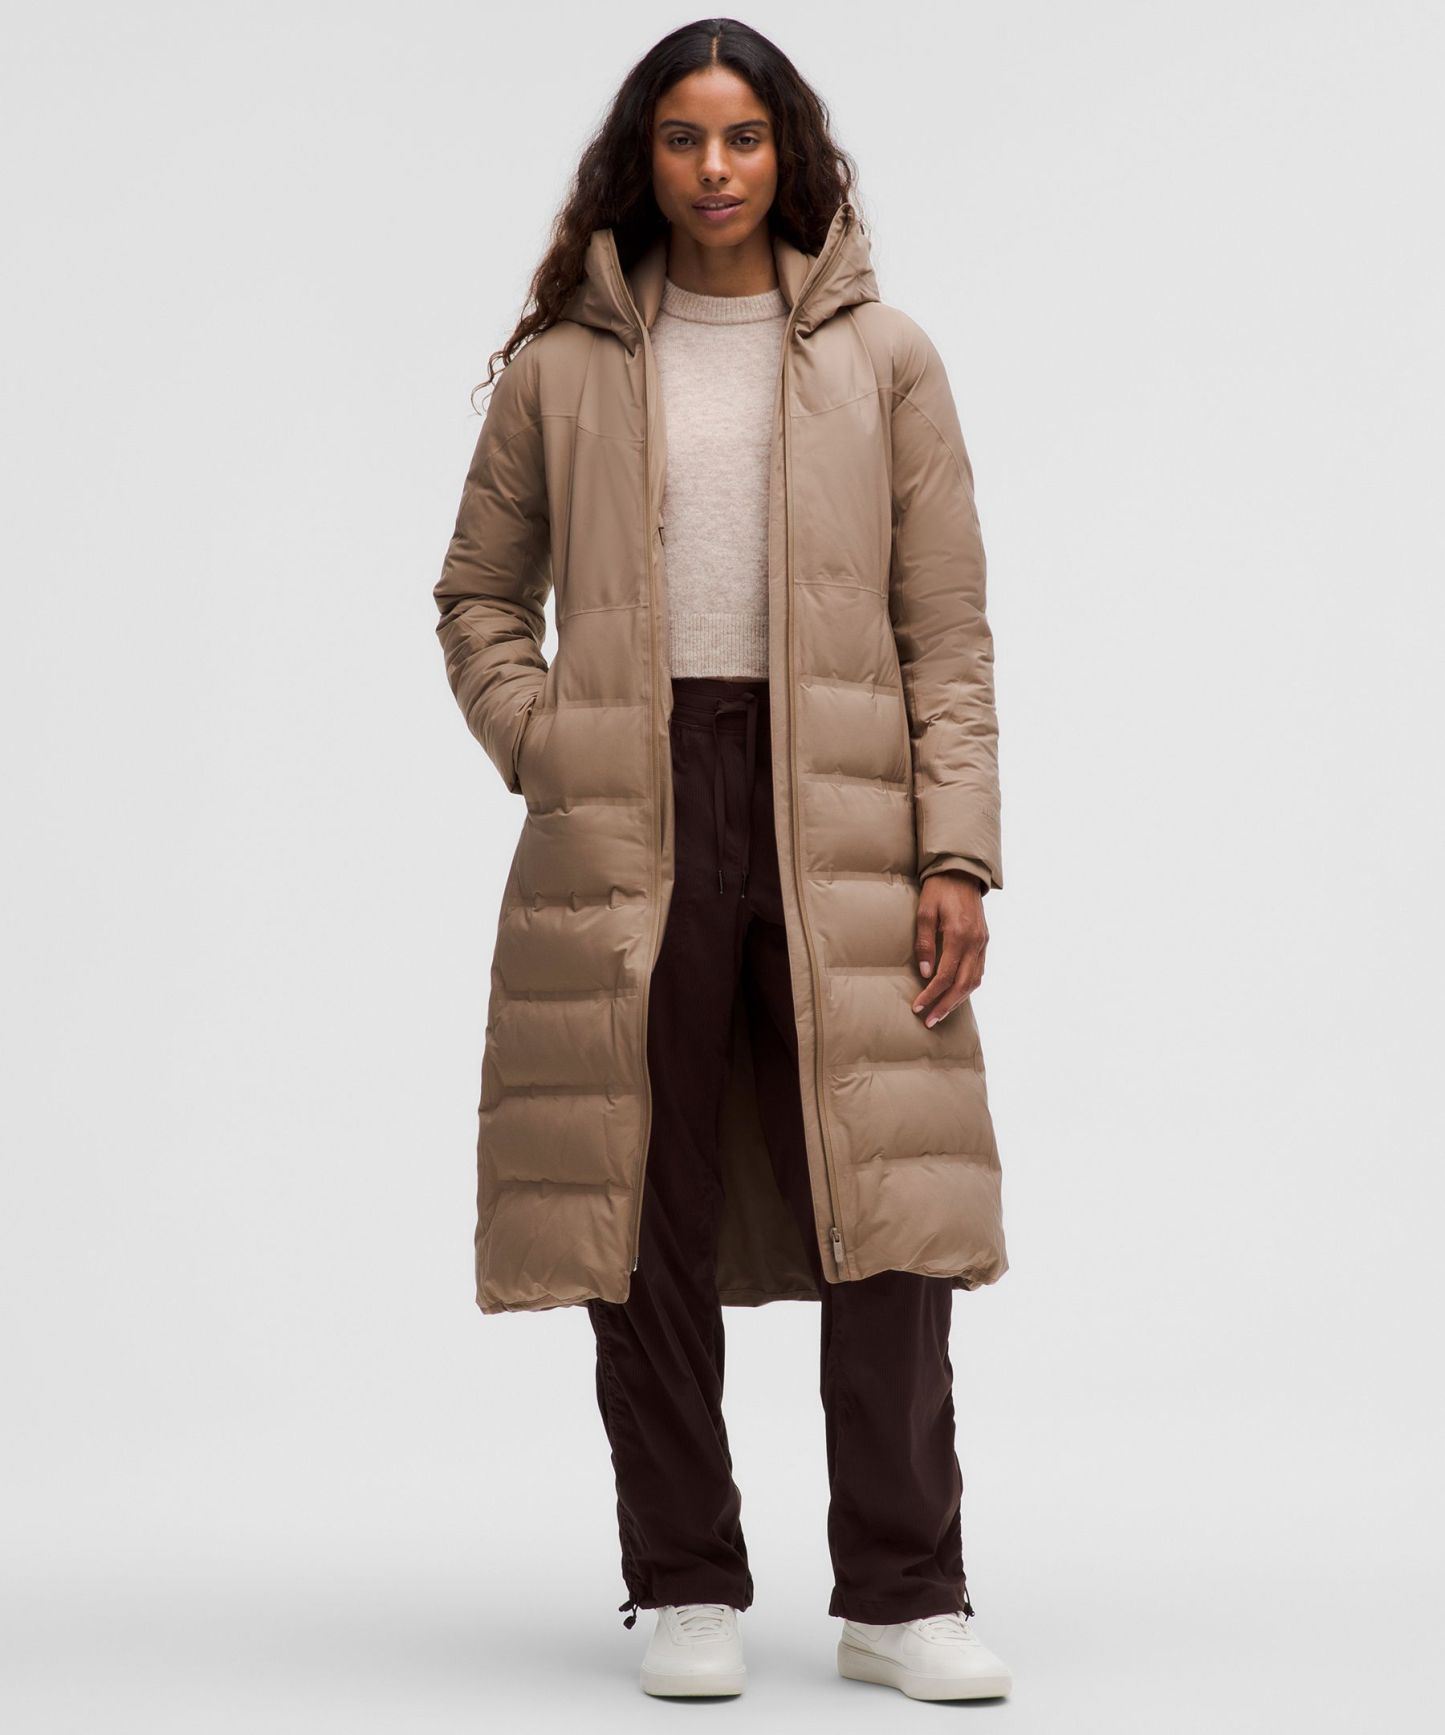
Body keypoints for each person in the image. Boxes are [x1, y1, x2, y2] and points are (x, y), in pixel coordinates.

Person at [433, 17, 1011, 1704]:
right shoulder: (560, 369)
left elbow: (947, 633)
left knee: (885, 1195)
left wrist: (957, 851)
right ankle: (680, 1578)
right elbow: (477, 596)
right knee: (642, 1191)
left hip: (845, 800)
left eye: (742, 137)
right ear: (642, 156)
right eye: (682, 138)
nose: (712, 169)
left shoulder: (884, 358)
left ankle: (902, 1594)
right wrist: (554, 743)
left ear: (788, 152)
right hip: (634, 802)